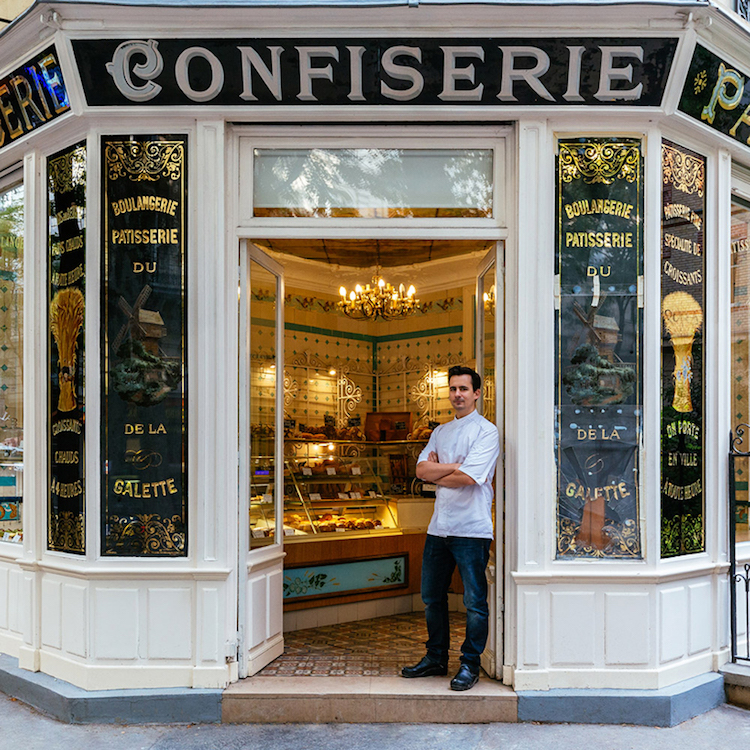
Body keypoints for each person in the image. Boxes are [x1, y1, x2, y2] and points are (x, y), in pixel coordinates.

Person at [401, 365, 500, 691]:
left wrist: (441, 470)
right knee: (432, 597)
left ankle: (469, 664)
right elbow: (420, 471)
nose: (457, 394)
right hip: (438, 528)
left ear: (476, 393)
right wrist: (454, 466)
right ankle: (436, 657)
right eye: (453, 389)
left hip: (472, 529)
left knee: (474, 602)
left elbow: (469, 478)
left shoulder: (487, 432)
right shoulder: (440, 432)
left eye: (463, 389)